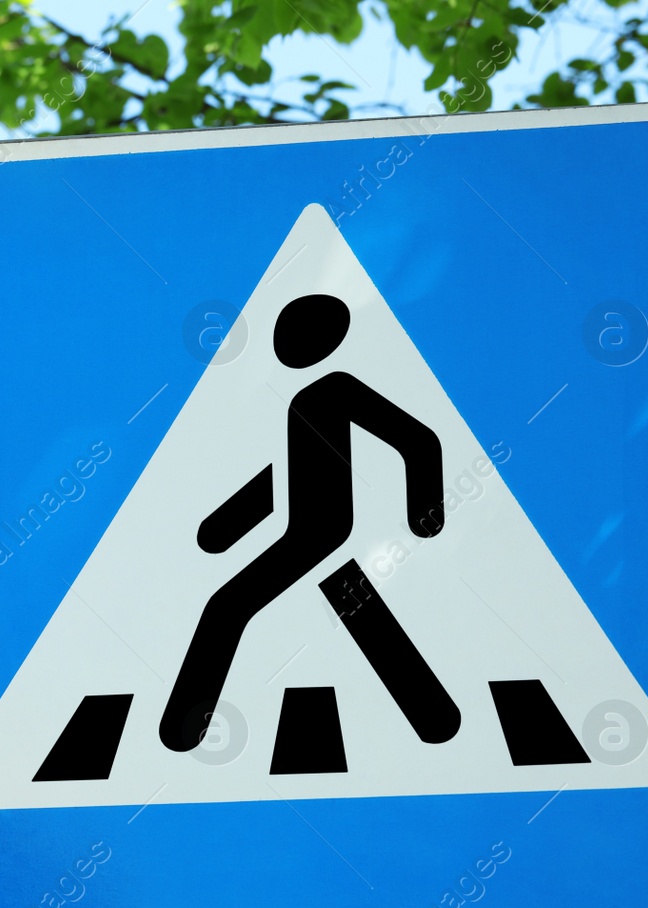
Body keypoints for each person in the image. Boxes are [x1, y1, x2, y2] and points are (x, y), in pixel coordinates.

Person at [159, 292, 457, 753]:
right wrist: (223, 528)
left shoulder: (336, 389)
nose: (281, 345)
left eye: (292, 334)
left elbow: (417, 440)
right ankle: (434, 717)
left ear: (321, 340)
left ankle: (182, 728)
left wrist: (425, 513)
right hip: (309, 531)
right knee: (355, 605)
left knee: (227, 608)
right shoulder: (303, 400)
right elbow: (283, 477)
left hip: (322, 531)